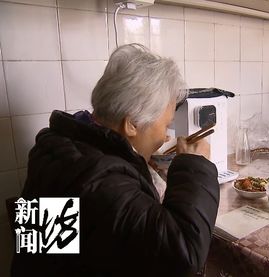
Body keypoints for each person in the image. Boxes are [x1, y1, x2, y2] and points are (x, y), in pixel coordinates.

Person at [11, 44, 220, 276]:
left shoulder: (62, 148)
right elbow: (183, 257)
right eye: (165, 125)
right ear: (131, 124)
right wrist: (194, 165)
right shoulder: (99, 179)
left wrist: (138, 167)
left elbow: (71, 244)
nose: (166, 136)